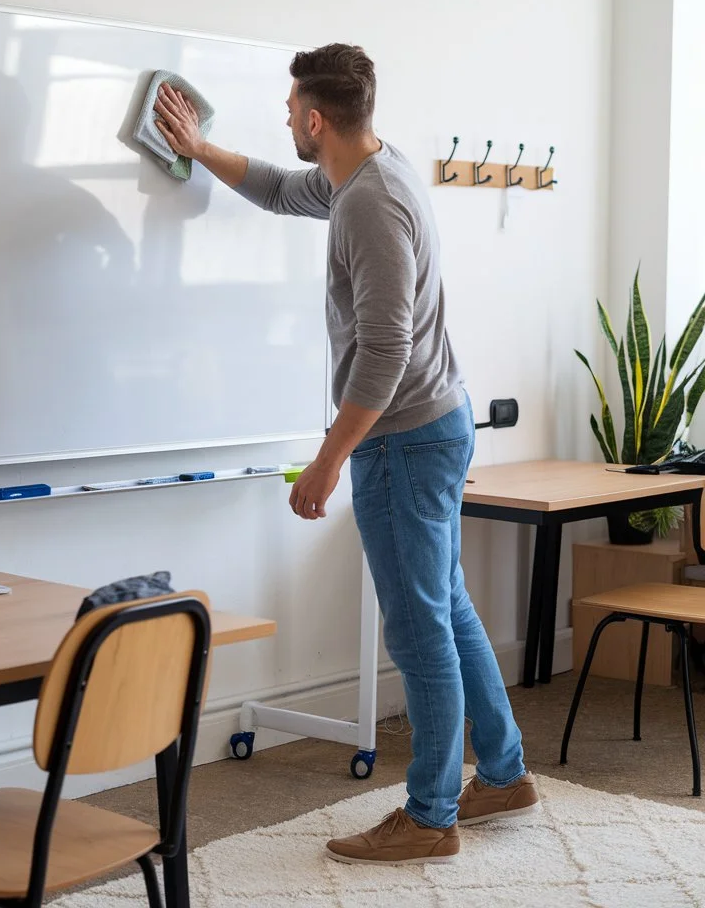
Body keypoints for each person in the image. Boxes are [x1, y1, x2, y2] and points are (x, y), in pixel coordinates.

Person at [154, 44, 540, 866]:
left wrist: (330, 460)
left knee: (420, 628)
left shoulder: (371, 203)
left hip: (401, 438)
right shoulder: (365, 169)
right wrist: (198, 149)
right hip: (428, 425)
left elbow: (385, 350)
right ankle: (503, 772)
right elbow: (280, 187)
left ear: (318, 118)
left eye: (292, 108)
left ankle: (431, 816)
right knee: (447, 607)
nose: (286, 118)